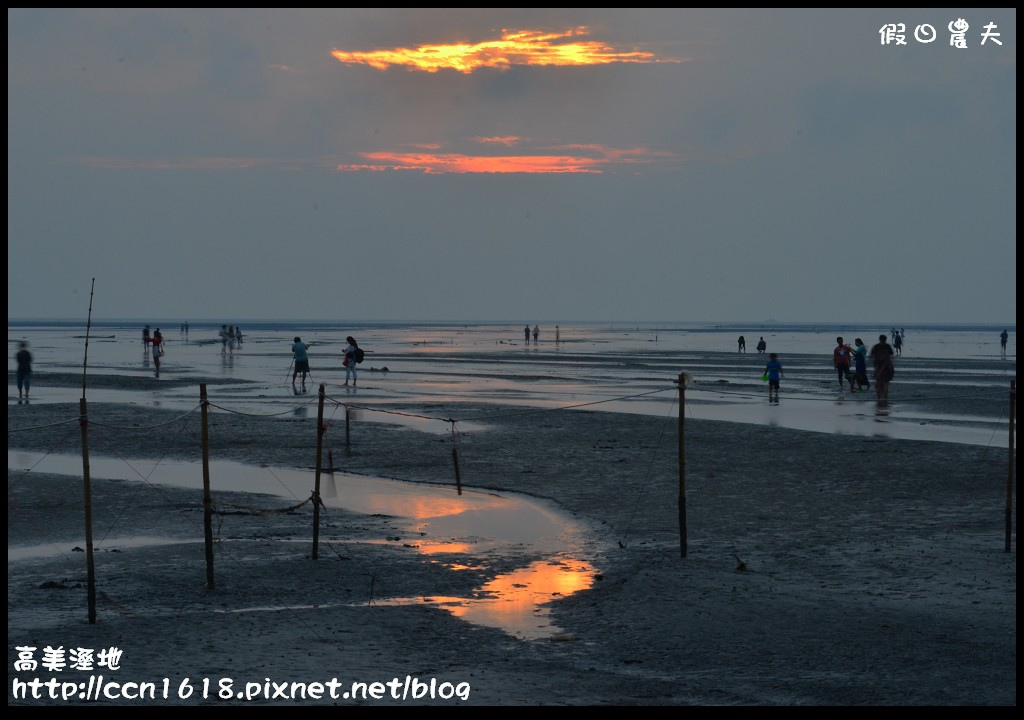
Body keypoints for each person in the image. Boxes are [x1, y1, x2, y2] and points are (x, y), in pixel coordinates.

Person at [869, 333, 895, 401]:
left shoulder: (876, 346)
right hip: (887, 367)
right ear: (885, 340)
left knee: (879, 382)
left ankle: (879, 398)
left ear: (880, 339)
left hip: (880, 366)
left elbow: (871, 355)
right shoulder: (887, 346)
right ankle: (885, 398)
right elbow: (891, 355)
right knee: (885, 383)